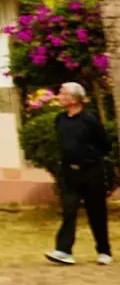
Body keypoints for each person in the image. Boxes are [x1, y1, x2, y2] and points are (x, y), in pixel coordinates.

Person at [46, 82, 112, 266]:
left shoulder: (90, 120)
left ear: (74, 99)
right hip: (69, 173)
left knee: (96, 211)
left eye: (63, 93)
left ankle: (104, 250)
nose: (59, 96)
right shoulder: (60, 119)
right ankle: (64, 250)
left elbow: (105, 145)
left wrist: (89, 157)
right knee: (69, 210)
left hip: (91, 172)